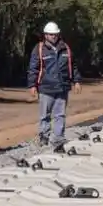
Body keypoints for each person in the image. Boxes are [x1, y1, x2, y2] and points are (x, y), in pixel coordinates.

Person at [28, 21, 82, 152]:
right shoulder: (39, 49)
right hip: (45, 88)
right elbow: (33, 68)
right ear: (45, 35)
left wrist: (77, 81)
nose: (53, 36)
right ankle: (44, 137)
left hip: (62, 88)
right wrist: (32, 85)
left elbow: (73, 66)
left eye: (55, 34)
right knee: (44, 115)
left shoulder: (66, 48)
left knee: (60, 115)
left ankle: (58, 140)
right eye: (50, 34)